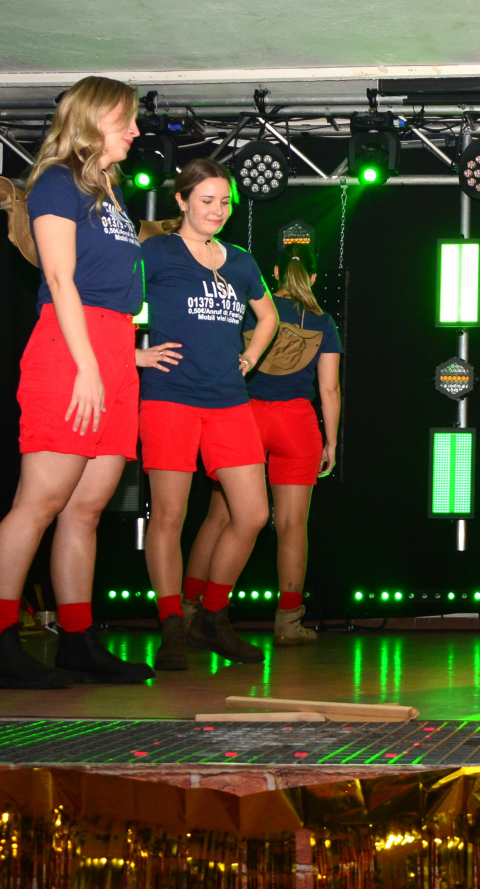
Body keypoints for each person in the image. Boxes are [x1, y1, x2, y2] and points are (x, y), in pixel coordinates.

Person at [0, 76, 164, 689]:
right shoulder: (57, 181)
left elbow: (114, 291)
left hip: (110, 350)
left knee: (86, 509)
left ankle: (78, 641)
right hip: (69, 350)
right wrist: (87, 366)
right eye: (125, 120)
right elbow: (60, 281)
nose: (135, 131)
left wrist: (123, 358)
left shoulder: (110, 191)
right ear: (91, 119)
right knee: (40, 502)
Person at [137, 159, 279, 670]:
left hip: (228, 402)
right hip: (170, 397)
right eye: (206, 201)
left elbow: (268, 316)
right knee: (169, 516)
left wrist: (250, 357)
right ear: (181, 201)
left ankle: (212, 618)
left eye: (224, 202)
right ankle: (172, 625)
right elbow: (108, 305)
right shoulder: (156, 252)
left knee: (253, 514)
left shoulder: (239, 261)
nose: (217, 210)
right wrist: (135, 355)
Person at [184, 247, 341, 647]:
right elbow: (329, 389)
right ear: (315, 278)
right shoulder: (323, 321)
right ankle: (288, 622)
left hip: (244, 418)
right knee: (292, 525)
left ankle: (190, 612)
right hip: (297, 424)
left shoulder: (251, 311)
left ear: (274, 272)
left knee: (219, 517)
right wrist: (332, 441)